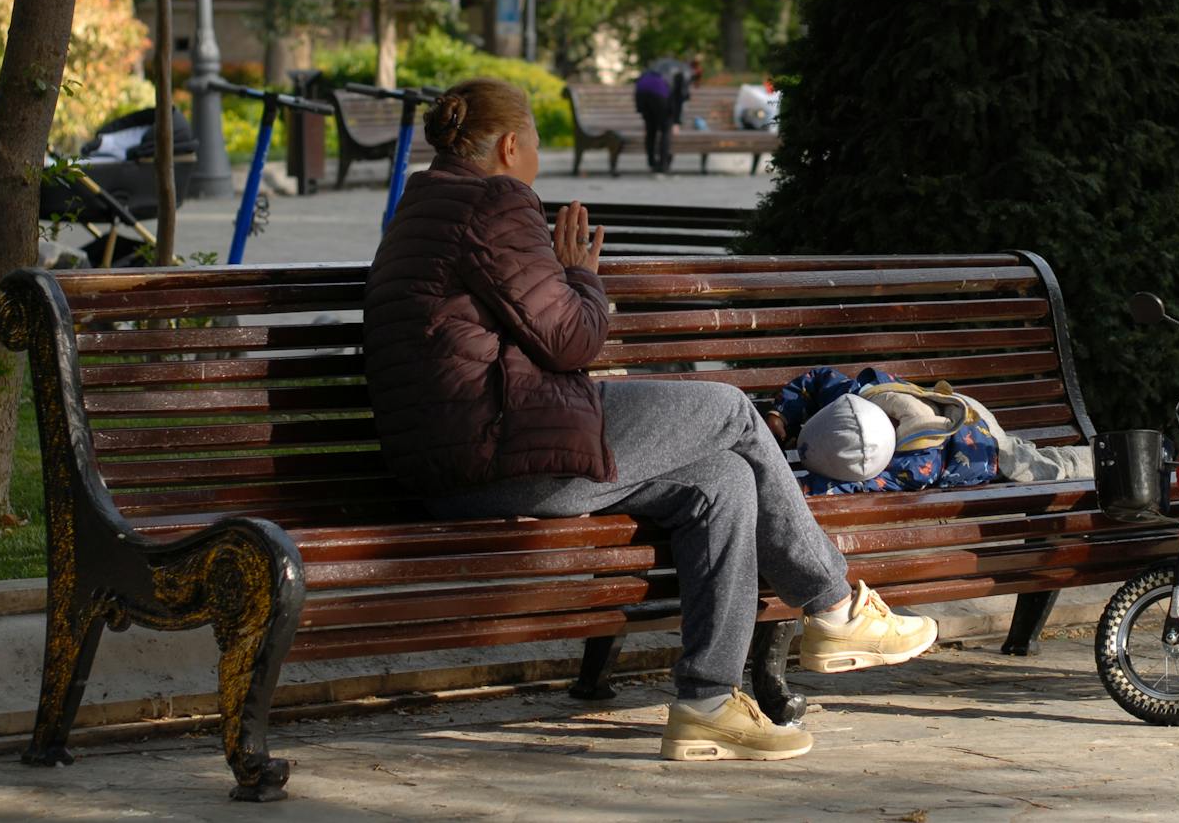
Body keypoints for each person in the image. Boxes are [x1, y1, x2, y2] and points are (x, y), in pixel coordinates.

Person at [363, 78, 938, 763]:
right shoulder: (494, 201)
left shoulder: (423, 204)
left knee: (721, 481)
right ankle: (835, 606)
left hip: (461, 463)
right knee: (729, 409)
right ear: (512, 144)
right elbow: (572, 340)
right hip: (505, 454)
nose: (538, 161)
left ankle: (707, 704)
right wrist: (581, 275)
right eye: (537, 145)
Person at [634, 56, 691, 173]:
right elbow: (678, 98)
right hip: (659, 90)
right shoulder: (683, 72)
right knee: (666, 129)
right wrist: (676, 121)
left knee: (651, 129)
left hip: (641, 88)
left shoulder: (658, 65)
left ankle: (651, 162)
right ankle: (663, 164)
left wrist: (641, 111)